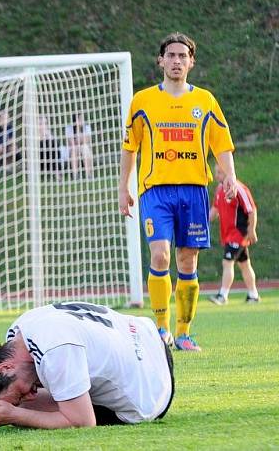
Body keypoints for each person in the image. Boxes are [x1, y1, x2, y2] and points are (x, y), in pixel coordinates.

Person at [118, 32, 237, 352]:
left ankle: (183, 333)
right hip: (155, 192)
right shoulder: (142, 101)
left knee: (187, 262)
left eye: (183, 56)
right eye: (171, 55)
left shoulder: (205, 100)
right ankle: (161, 329)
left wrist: (231, 177)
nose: (176, 61)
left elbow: (221, 144)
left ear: (192, 62)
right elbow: (130, 147)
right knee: (160, 254)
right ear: (160, 60)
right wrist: (123, 189)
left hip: (194, 190)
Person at [0, 301, 174, 428]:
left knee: (46, 409)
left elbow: (84, 422)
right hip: (146, 333)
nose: (29, 396)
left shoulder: (54, 351)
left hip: (152, 391)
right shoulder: (21, 328)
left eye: (19, 394)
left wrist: (15, 415)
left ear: (5, 367)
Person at [208, 164, 260, 305]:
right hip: (228, 234)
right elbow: (215, 209)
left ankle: (222, 295)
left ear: (228, 172)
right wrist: (202, 222)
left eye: (219, 172)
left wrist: (251, 230)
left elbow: (251, 210)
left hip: (239, 233)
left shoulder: (239, 188)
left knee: (227, 262)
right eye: (216, 172)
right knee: (244, 264)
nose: (217, 175)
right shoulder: (219, 189)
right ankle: (253, 295)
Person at [65, 112, 94, 179]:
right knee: (74, 149)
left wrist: (79, 134)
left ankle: (89, 174)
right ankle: (75, 175)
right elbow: (72, 143)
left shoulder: (87, 127)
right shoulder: (69, 128)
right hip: (72, 149)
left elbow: (86, 141)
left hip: (84, 148)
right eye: (80, 119)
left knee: (84, 147)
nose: (82, 121)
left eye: (82, 119)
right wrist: (77, 128)